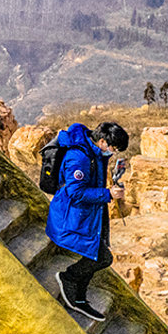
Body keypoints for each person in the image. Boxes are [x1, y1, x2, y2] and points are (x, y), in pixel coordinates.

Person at [45, 121, 129, 321]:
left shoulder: (94, 153)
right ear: (102, 141)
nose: (113, 153)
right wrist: (107, 193)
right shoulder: (80, 157)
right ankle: (68, 278)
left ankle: (79, 297)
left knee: (95, 255)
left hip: (86, 217)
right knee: (103, 258)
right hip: (71, 220)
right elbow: (76, 192)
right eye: (113, 148)